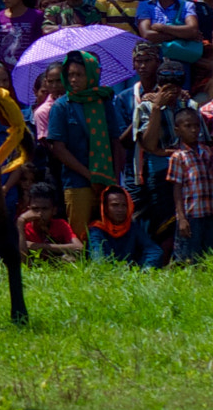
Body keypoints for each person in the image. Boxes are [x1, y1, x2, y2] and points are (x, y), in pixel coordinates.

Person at [41, 51, 123, 236]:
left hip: (107, 180)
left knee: (109, 233)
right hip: (77, 182)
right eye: (70, 75)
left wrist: (115, 180)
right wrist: (90, 176)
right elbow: (59, 149)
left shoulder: (104, 102)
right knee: (80, 235)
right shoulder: (62, 106)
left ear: (92, 75)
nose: (73, 80)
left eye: (79, 75)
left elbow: (115, 142)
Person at [166, 106, 213, 263]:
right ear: (177, 130)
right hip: (192, 215)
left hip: (209, 211)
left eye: (196, 126)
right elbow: (176, 189)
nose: (193, 130)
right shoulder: (178, 157)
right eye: (188, 126)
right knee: (188, 257)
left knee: (209, 256)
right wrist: (181, 218)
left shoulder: (207, 152)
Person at [17, 182, 84, 261]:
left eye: (45, 209)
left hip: (56, 265)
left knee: (69, 259)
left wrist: (39, 246)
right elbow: (21, 259)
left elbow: (79, 248)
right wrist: (20, 221)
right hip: (34, 267)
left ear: (54, 210)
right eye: (35, 209)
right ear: (29, 209)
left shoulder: (60, 225)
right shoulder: (24, 227)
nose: (40, 214)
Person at [87, 187, 153, 265]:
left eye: (124, 205)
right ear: (105, 208)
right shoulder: (96, 230)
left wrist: (146, 269)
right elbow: (97, 255)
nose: (120, 209)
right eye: (115, 205)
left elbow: (153, 250)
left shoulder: (132, 228)